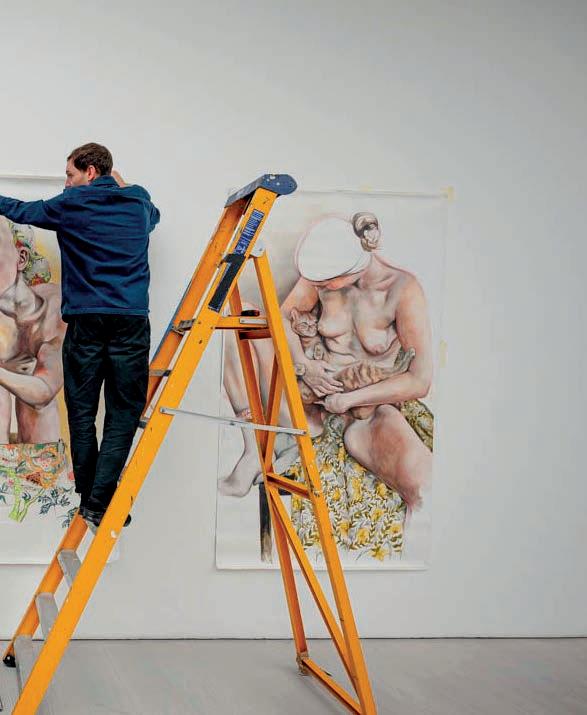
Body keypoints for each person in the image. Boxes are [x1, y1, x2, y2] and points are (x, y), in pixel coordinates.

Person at [0, 142, 160, 527]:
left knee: (83, 414)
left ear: (90, 171)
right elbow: (153, 215)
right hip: (129, 322)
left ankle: (91, 499)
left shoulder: (71, 204)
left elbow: (21, 210)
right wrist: (122, 184)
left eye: (70, 175)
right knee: (123, 413)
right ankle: (97, 502)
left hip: (87, 322)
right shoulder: (138, 202)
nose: (66, 183)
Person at [0, 218, 64, 443]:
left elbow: (45, 390)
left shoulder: (56, 306)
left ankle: (36, 461)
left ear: (21, 258)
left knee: (35, 401)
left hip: (39, 436)